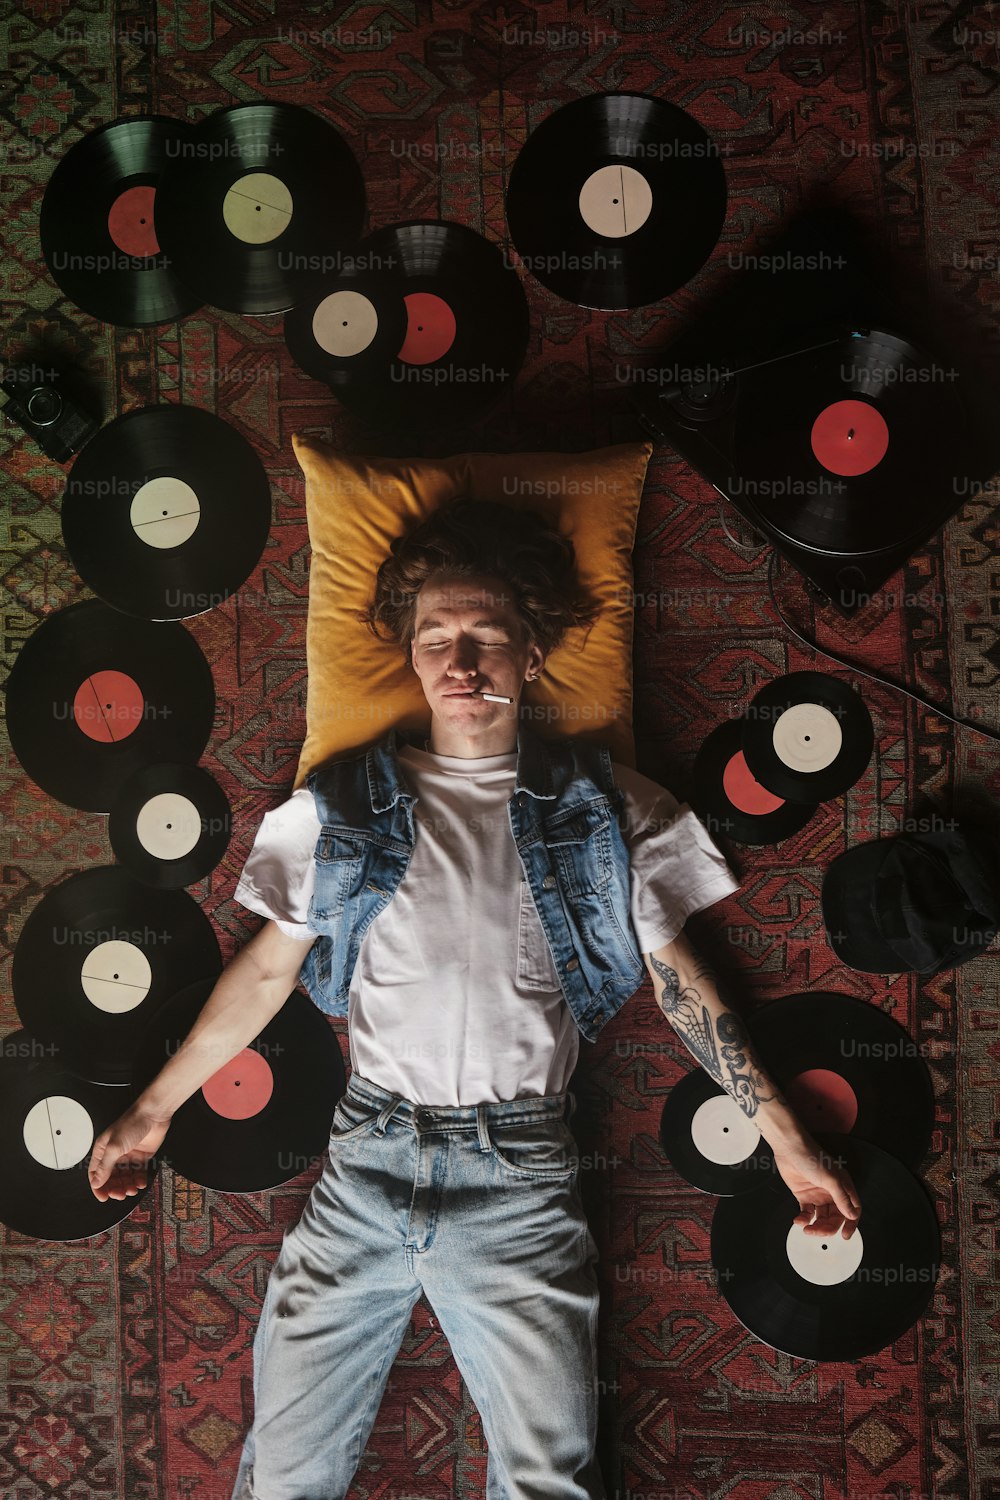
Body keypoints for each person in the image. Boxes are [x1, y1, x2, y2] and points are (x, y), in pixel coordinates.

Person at [89, 499, 860, 1500]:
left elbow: (682, 985)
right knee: (280, 1478)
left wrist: (788, 1142)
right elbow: (268, 972)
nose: (461, 662)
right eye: (437, 640)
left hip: (521, 1181)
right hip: (365, 1165)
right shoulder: (337, 803)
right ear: (410, 657)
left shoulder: (605, 808)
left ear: (530, 655)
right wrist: (152, 1111)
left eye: (486, 638)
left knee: (551, 1484)